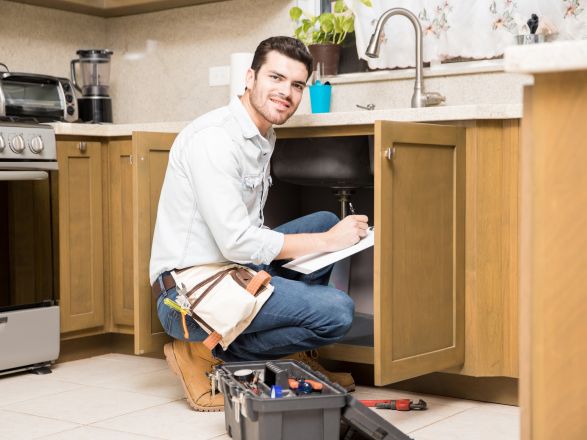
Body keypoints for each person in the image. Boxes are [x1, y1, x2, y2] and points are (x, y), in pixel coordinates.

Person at [149, 36, 370, 412]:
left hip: (231, 268)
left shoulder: (260, 134)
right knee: (337, 311)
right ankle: (202, 354)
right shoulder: (215, 139)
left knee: (323, 219)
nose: (286, 92)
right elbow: (236, 242)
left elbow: (245, 242)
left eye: (297, 85)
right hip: (187, 295)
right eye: (276, 78)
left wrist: (327, 234)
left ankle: (290, 357)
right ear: (250, 78)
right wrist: (327, 242)